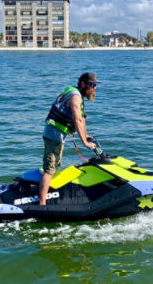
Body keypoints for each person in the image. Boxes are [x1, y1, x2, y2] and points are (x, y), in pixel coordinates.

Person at [39, 72, 98, 205]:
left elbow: (82, 118)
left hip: (55, 134)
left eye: (95, 85)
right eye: (91, 85)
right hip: (53, 134)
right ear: (83, 84)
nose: (94, 88)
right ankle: (42, 205)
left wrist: (86, 134)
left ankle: (48, 193)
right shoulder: (75, 97)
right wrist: (84, 142)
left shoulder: (77, 94)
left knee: (55, 165)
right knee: (50, 169)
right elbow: (76, 118)